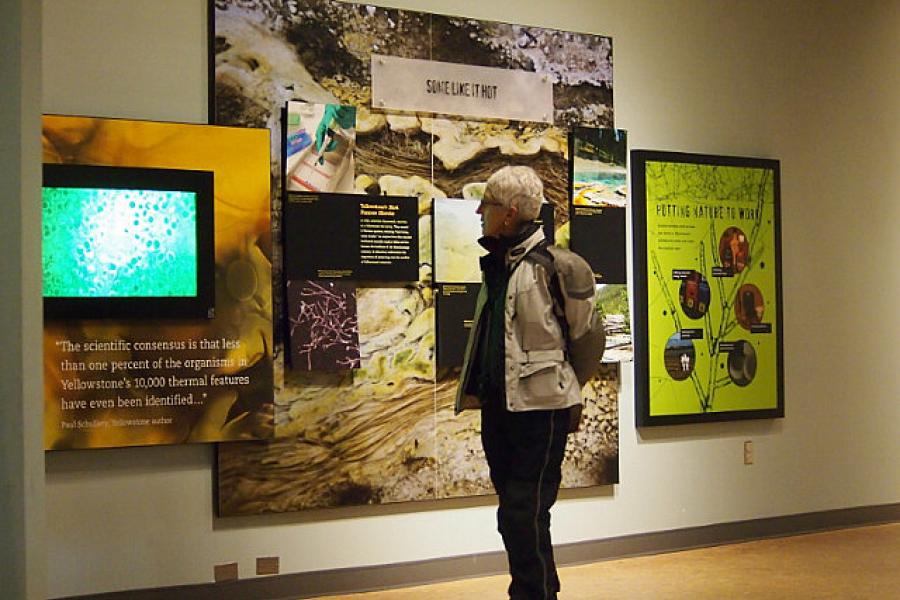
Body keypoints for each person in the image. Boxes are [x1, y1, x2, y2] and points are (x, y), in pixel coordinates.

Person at [455, 165, 600, 600]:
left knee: (524, 512)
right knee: (516, 515)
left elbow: (586, 340)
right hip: (501, 408)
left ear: (509, 213)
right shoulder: (498, 265)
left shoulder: (557, 268)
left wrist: (562, 390)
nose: (480, 211)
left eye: (489, 205)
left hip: (541, 413)